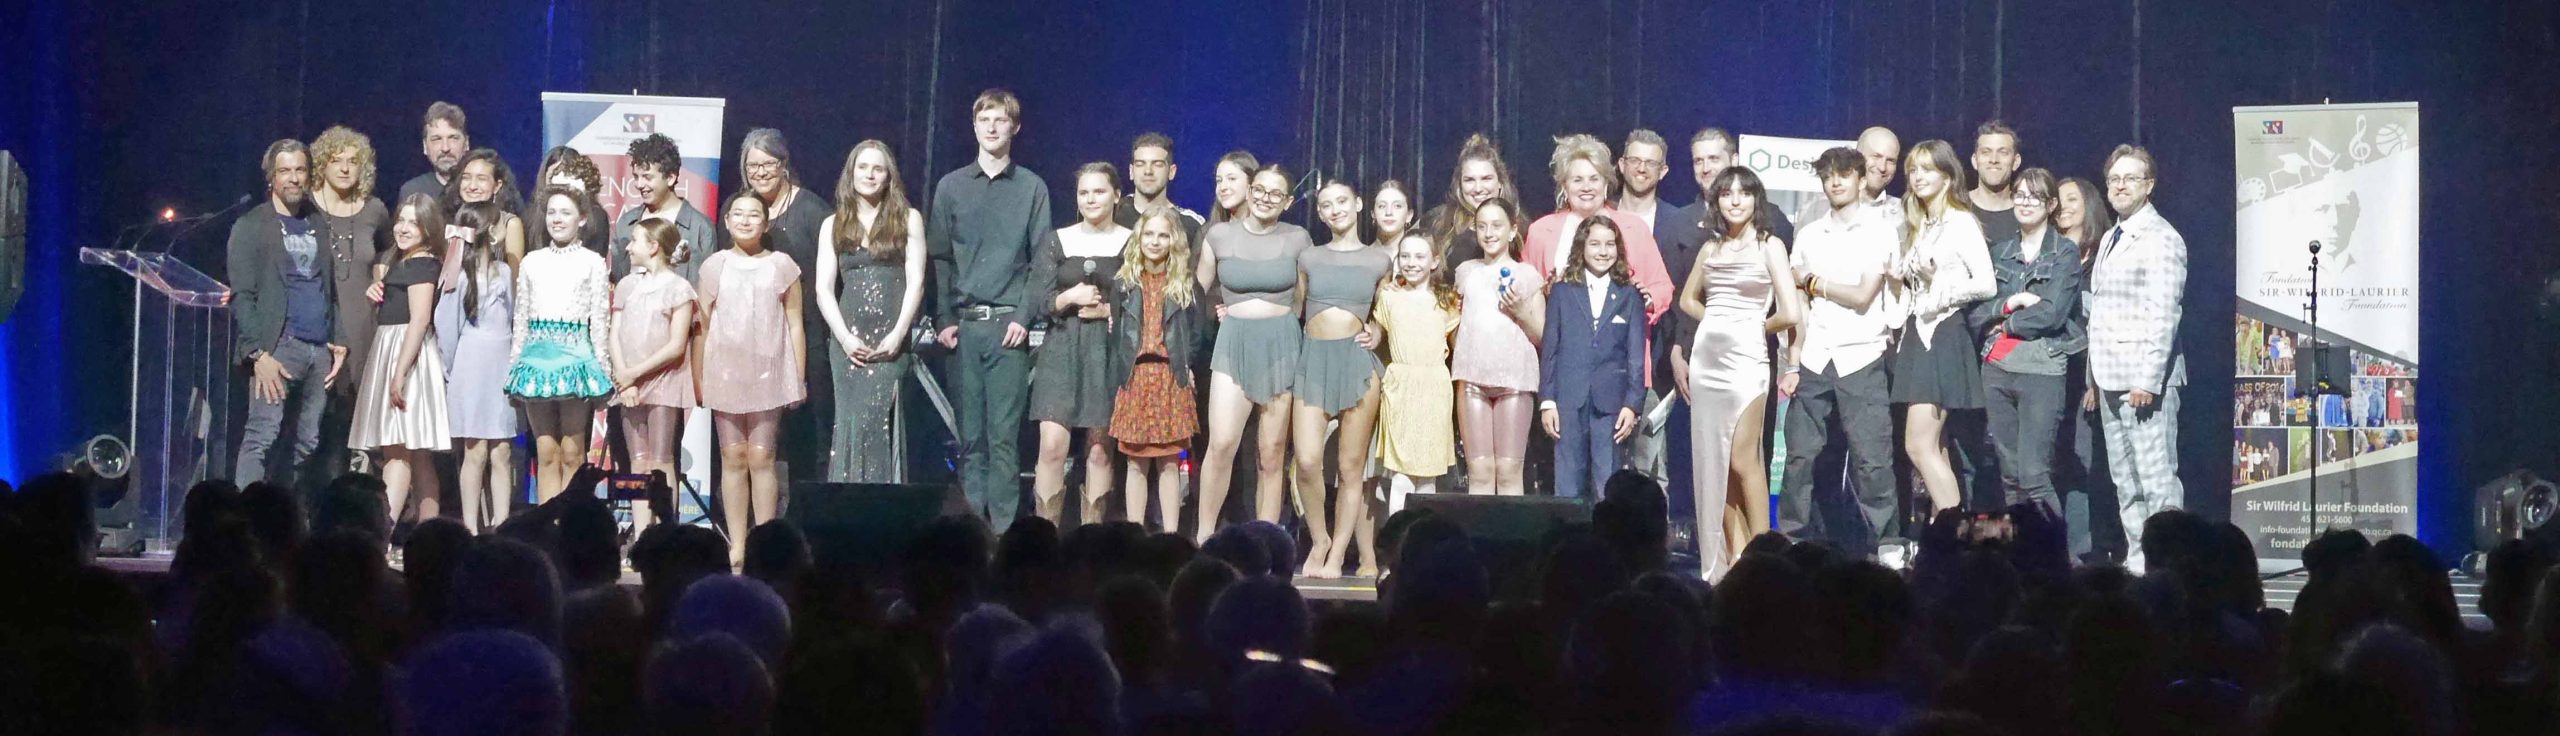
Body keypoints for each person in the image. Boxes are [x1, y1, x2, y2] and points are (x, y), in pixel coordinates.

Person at [930, 89, 1052, 535]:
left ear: (1015, 127)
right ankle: (972, 533)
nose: (992, 127)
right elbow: (940, 258)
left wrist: (1023, 316)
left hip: (1007, 327)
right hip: (964, 327)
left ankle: (1001, 535)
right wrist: (944, 318)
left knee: (1003, 438)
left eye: (1001, 120)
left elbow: (1042, 261)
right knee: (970, 438)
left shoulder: (1032, 187)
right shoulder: (951, 186)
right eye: (984, 120)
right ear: (974, 126)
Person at [1678, 168, 1802, 579]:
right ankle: (1734, 555)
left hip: (1747, 359)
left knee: (1743, 456)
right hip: (1708, 361)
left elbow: (1790, 312)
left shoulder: (1770, 245)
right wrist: (1716, 321)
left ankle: (1767, 556)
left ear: (1756, 200)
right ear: (1716, 201)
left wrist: (1750, 326)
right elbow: (1687, 300)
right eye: (1727, 194)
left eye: (1744, 193)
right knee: (1716, 460)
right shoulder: (1710, 248)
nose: (1735, 201)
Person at [1779, 148, 1900, 557]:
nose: (1835, 182)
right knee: (1801, 457)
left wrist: (1813, 281)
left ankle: (1886, 545)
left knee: (1871, 458)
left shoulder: (1879, 230)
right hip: (1815, 354)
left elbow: (1863, 295)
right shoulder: (1810, 233)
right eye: (1828, 175)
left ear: (1861, 179)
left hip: (1862, 353)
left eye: (1844, 174)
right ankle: (1794, 538)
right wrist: (1793, 359)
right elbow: (1798, 305)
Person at [1194, 163, 1313, 542]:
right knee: (1221, 443)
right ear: (1249, 191)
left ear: (1288, 201)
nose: (1265, 198)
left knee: (1272, 451)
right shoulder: (1219, 236)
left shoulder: (1298, 238)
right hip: (1234, 343)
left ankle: (1267, 542)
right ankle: (1205, 535)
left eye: (1275, 193)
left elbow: (1302, 300)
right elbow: (1196, 294)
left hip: (1281, 345)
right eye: (1259, 189)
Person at [2087, 144, 2188, 567]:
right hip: (2110, 376)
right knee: (2125, 480)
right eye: (2114, 179)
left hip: (2145, 382)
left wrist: (2148, 379)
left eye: (2131, 178)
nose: (2120, 186)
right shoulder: (2112, 236)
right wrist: (2093, 379)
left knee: (2156, 478)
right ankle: (2138, 558)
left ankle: (2170, 564)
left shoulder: (2162, 238)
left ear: (2150, 185)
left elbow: (2164, 314)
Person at [229, 138, 349, 488]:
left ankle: (286, 510)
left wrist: (338, 341)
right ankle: (248, 512)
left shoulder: (317, 222)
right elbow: (242, 295)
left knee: (308, 442)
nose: (294, 178)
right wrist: (257, 354)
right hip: (278, 347)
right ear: (271, 177)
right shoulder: (251, 225)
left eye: (300, 170)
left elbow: (328, 288)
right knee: (262, 435)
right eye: (285, 171)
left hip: (318, 350)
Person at [699, 193, 808, 566]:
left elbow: (795, 323)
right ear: (727, 221)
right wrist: (699, 378)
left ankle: (765, 543)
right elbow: (703, 326)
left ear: (766, 223)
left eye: (754, 215)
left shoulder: (781, 266)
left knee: (762, 456)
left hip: (768, 372)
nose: (745, 221)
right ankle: (738, 543)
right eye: (738, 214)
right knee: (732, 456)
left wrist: (798, 377)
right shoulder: (714, 266)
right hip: (725, 370)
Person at [1890, 140, 1995, 516]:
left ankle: (1955, 530)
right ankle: (1945, 533)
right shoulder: (1920, 225)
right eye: (1913, 170)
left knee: (1918, 445)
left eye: (1927, 169)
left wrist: (1939, 284)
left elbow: (1986, 284)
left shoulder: (1960, 221)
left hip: (1944, 332)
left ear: (1948, 177)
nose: (1918, 177)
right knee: (1934, 446)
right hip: (1918, 333)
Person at [1294, 180, 1392, 578]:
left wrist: (1378, 333)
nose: (1335, 209)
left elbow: (1384, 315)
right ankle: (1320, 539)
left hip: (1357, 362)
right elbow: (1296, 309)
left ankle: (1336, 556)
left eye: (1342, 202)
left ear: (1358, 204)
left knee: (1351, 469)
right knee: (1307, 460)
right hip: (1314, 360)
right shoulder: (1309, 257)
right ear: (1319, 213)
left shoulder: (1379, 260)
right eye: (1326, 205)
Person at [816, 140, 926, 484]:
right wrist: (844, 338)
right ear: (851, 173)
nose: (870, 174)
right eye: (863, 167)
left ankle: (882, 506)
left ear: (889, 176)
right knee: (850, 427)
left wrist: (899, 334)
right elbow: (823, 289)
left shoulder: (908, 219)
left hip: (890, 344)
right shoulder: (833, 224)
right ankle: (847, 504)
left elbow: (916, 282)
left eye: (878, 168)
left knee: (878, 425)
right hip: (847, 345)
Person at [1974, 168, 2081, 514]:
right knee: (2009, 476)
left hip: (2041, 369)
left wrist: (2005, 325)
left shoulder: (2064, 253)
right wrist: (2012, 302)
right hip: (1996, 370)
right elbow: (1976, 314)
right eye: (2019, 195)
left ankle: (2050, 545)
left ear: (2050, 205)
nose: (2025, 202)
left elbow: (2052, 314)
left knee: (2034, 475)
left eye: (2035, 197)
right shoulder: (2000, 252)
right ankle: (2020, 544)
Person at [1031, 163, 1132, 525]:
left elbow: (1141, 300)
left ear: (1116, 196)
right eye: (1083, 192)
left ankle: (1092, 540)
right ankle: (1044, 535)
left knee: (1100, 450)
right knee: (1051, 446)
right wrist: (1068, 297)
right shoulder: (1057, 240)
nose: (1090, 199)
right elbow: (1038, 300)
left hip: (1106, 349)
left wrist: (1108, 309)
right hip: (1062, 347)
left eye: (1099, 191)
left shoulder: (1131, 242)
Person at [349, 193, 452, 534]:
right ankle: (430, 539)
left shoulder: (421, 264)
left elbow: (419, 320)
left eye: (414, 223)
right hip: (394, 348)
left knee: (398, 451)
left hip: (406, 353)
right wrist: (376, 293)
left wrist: (400, 372)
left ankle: (383, 534)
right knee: (418, 456)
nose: (404, 228)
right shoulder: (402, 261)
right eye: (401, 220)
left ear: (428, 228)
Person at [740, 128, 835, 489]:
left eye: (768, 164)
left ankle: (809, 508)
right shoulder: (739, 211)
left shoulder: (812, 211)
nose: (760, 172)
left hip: (807, 335)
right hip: (753, 341)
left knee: (809, 432)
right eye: (753, 165)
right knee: (759, 440)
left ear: (784, 164)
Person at [508, 184, 616, 502]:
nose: (557, 219)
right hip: (536, 361)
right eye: (552, 212)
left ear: (581, 219)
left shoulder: (592, 262)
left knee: (572, 451)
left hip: (575, 361)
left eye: (565, 213)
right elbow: (521, 318)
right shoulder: (532, 261)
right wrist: (515, 365)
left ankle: (570, 521)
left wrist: (603, 370)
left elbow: (600, 319)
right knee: (546, 451)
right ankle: (547, 522)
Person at [1109, 207, 1208, 536]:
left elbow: (1195, 334)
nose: (1155, 241)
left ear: (1173, 240)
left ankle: (1170, 536)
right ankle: (1135, 535)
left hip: (1170, 377)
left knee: (1169, 462)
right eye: (1149, 234)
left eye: (1163, 235)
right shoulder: (1124, 284)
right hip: (1136, 377)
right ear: (1139, 238)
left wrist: (1185, 367)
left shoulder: (1186, 284)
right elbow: (1118, 335)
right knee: (1135, 462)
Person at [1540, 217, 1650, 500]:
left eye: (1610, 244)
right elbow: (1550, 349)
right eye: (1595, 244)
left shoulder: (1629, 295)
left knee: (1607, 483)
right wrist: (1547, 401)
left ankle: (1607, 529)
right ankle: (1568, 530)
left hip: (1611, 402)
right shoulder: (1562, 291)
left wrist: (1632, 403)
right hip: (1568, 399)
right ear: (1582, 247)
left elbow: (1636, 355)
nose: (1603, 251)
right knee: (1568, 485)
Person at [308, 126, 391, 481]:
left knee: (358, 425)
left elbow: (389, 250)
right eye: (336, 160)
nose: (344, 168)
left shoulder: (375, 210)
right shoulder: (306, 208)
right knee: (315, 425)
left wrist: (381, 276)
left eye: (353, 161)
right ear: (321, 164)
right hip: (318, 324)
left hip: (364, 327)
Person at [1522, 134, 1674, 326]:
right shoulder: (1541, 231)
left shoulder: (1635, 229)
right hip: (1563, 339)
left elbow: (1661, 286)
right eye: (1577, 180)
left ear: (1605, 184)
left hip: (1622, 340)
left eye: (1594, 179)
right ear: (1564, 187)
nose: (1586, 187)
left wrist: (1646, 301)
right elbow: (1526, 290)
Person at [1451, 197, 1547, 496]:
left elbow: (1542, 336)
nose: (1489, 233)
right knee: (1479, 472)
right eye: (1482, 226)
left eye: (1496, 226)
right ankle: (1476, 529)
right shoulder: (1465, 272)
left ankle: (1510, 529)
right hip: (1472, 378)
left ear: (1512, 230)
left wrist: (1521, 311)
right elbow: (1452, 323)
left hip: (1514, 379)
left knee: (1508, 472)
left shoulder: (1527, 275)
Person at [2053, 175, 2124, 563]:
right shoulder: (2049, 256)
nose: (2062, 206)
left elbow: (2105, 323)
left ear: (2089, 206)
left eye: (2071, 199)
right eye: (2058, 199)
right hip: (2052, 374)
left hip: (2089, 375)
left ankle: (2089, 549)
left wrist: (2095, 380)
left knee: (2088, 463)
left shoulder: (2103, 258)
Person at [611, 217, 699, 531]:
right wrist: (624, 379)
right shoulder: (626, 286)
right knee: (638, 459)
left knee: (661, 459)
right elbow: (614, 334)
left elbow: (676, 346)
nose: (628, 247)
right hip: (629, 384)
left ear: (654, 247)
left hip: (664, 381)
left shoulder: (679, 288)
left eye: (634, 240)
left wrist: (634, 373)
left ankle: (663, 532)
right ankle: (640, 532)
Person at [441, 201, 521, 532]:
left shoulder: (504, 272)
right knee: (475, 452)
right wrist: (451, 371)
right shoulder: (458, 275)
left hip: (501, 364)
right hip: (471, 366)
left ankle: (502, 525)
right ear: (491, 231)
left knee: (502, 451)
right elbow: (447, 326)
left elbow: (513, 316)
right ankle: (470, 528)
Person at [1372, 232, 1459, 519]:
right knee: (1401, 475)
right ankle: (1398, 536)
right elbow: (1375, 335)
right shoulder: (1390, 297)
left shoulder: (1446, 301)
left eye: (1419, 256)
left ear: (1434, 261)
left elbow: (1457, 343)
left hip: (1434, 389)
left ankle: (1422, 536)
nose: (1411, 262)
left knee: (1427, 477)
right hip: (1401, 388)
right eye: (1405, 256)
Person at [612, 133, 717, 283]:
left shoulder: (700, 227)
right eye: (636, 177)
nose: (639, 184)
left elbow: (707, 285)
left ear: (670, 178)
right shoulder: (626, 223)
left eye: (647, 177)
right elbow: (617, 280)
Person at [1426, 133, 1518, 279]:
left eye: (1486, 178)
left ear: (1500, 182)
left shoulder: (1519, 224)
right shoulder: (1438, 220)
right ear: (1459, 184)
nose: (1478, 188)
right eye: (1469, 180)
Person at [439, 148, 528, 270]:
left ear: (497, 186)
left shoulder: (509, 224)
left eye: (481, 179)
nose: (472, 186)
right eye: (466, 178)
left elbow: (514, 276)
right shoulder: (447, 218)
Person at [1113, 132, 1206, 246]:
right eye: (1140, 164)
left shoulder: (1191, 225)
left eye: (1157, 164)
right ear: (1131, 171)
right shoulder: (1112, 214)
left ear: (1171, 172)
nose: (1148, 171)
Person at [396, 101, 469, 205]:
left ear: (466, 144)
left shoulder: (479, 189)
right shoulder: (412, 191)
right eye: (437, 139)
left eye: (453, 138)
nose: (445, 148)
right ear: (425, 147)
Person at [1613, 129, 1671, 230]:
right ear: (1622, 165)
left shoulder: (1677, 222)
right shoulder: (1601, 212)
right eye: (1634, 160)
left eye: (1651, 163)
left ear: (1662, 171)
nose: (1641, 169)